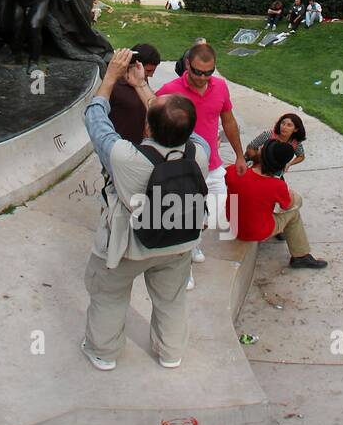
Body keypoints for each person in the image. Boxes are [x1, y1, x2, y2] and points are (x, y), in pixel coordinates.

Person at [83, 49, 210, 371]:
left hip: (125, 246)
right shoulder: (201, 153)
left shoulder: (124, 157)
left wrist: (111, 76)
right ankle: (170, 354)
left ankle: (103, 353)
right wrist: (142, 86)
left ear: (148, 130)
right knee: (171, 302)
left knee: (109, 299)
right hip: (178, 242)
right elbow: (176, 122)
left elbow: (95, 117)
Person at [157, 40, 245, 228]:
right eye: (198, 72)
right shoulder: (169, 91)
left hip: (213, 165)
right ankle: (191, 246)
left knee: (214, 216)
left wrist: (239, 156)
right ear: (188, 64)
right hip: (184, 167)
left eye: (209, 72)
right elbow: (152, 126)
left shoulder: (220, 86)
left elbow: (228, 121)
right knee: (189, 218)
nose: (203, 78)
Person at [228, 137, 324, 280]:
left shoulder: (234, 170)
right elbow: (288, 206)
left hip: (233, 223)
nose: (259, 147)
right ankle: (300, 255)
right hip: (254, 232)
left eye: (262, 148)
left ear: (261, 155)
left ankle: (294, 246)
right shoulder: (276, 185)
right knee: (294, 210)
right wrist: (286, 191)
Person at [108, 42, 161, 144]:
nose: (151, 76)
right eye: (148, 71)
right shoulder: (113, 86)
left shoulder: (142, 79)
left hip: (141, 145)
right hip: (120, 147)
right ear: (135, 66)